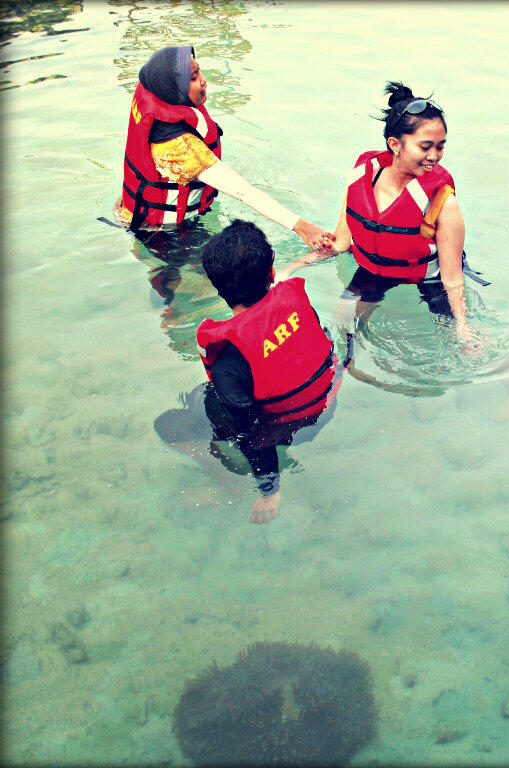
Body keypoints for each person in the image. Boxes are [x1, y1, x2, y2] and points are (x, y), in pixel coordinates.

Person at [155, 219, 350, 524]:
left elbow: (252, 433)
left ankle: (222, 481)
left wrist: (268, 490)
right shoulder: (297, 300)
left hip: (290, 432)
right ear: (271, 273)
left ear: (219, 290)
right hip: (327, 405)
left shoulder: (228, 359)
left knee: (168, 424)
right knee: (203, 396)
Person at [277, 81, 489, 353]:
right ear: (395, 144)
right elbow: (341, 243)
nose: (434, 156)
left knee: (467, 347)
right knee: (342, 326)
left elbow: (452, 278)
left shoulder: (443, 201)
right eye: (425, 147)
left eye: (441, 146)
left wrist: (463, 327)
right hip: (373, 270)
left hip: (430, 279)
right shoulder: (361, 176)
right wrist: (293, 267)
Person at [112, 45, 333, 250]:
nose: (204, 80)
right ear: (174, 88)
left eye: (199, 72)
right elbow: (243, 191)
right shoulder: (179, 149)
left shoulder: (155, 89)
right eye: (193, 78)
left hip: (134, 211)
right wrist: (301, 226)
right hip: (161, 236)